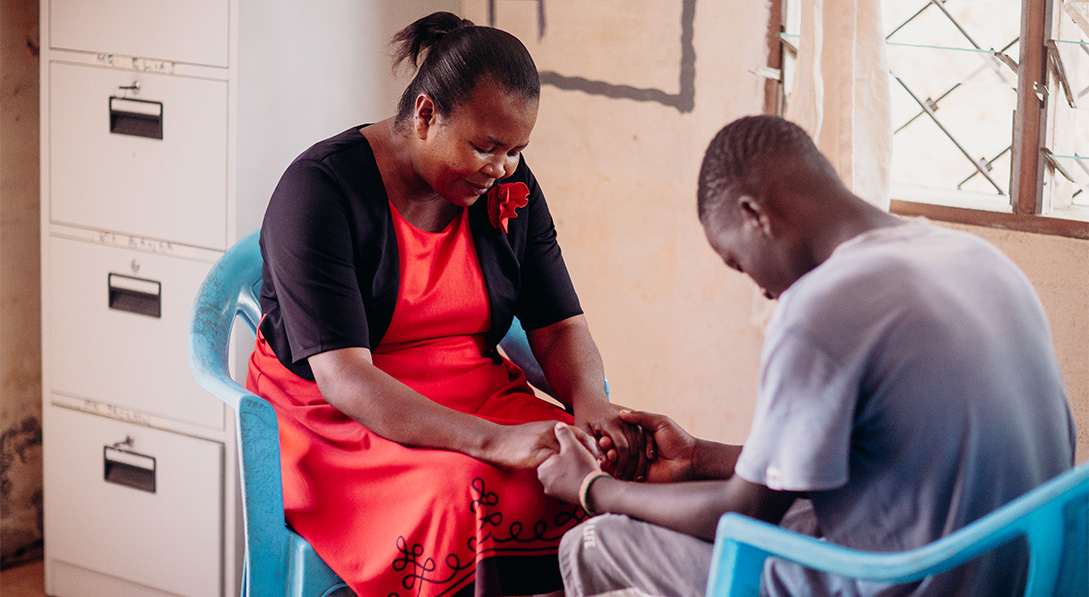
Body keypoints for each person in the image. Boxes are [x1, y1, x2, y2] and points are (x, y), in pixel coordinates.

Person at [536, 115, 1077, 596]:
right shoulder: (975, 258)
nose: (762, 289)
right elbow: (850, 464)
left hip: (913, 580)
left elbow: (743, 512)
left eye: (737, 262)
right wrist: (697, 455)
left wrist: (591, 487)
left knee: (599, 539)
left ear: (755, 215)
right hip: (1023, 567)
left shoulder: (821, 308)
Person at [247, 12, 646, 597]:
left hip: (473, 388)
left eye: (516, 151)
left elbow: (559, 327)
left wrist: (589, 404)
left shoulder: (509, 186)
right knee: (468, 495)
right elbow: (345, 378)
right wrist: (493, 441)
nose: (503, 169)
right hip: (340, 418)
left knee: (593, 469)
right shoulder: (319, 193)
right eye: (486, 147)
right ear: (427, 114)